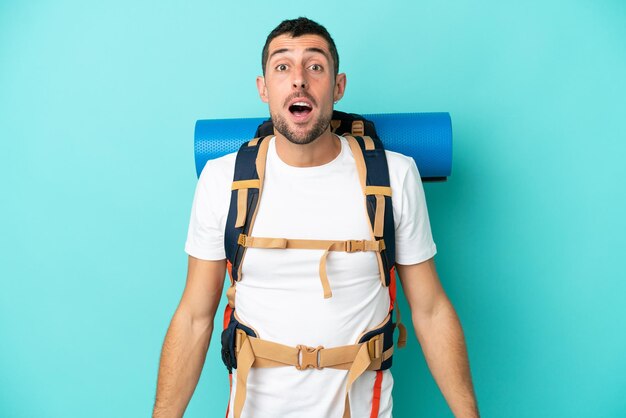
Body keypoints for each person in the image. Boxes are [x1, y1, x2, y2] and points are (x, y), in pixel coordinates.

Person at [153, 17, 479, 418]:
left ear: (338, 87)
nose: (299, 80)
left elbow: (431, 311)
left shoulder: (395, 175)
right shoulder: (222, 180)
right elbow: (193, 318)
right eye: (282, 66)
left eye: (315, 66)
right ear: (264, 88)